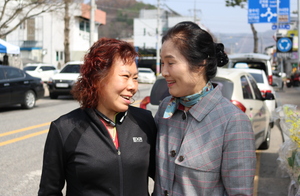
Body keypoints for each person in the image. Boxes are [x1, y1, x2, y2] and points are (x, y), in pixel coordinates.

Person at [38, 38, 157, 196]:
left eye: (135, 78)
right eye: (125, 76)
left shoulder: (144, 121)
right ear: (97, 79)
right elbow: (49, 191)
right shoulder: (64, 128)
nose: (133, 86)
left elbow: (165, 179)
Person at [153, 21, 256, 196]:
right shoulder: (165, 109)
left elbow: (239, 192)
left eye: (170, 63)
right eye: (162, 63)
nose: (164, 72)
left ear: (200, 64)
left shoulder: (232, 122)